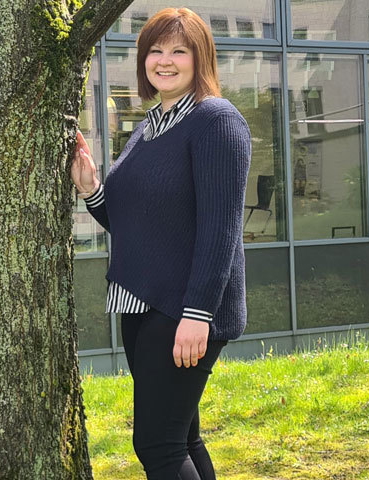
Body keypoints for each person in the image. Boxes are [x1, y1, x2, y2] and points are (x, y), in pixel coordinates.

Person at [71, 8, 250, 480]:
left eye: (178, 50)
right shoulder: (150, 126)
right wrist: (92, 190)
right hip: (142, 304)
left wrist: (198, 314)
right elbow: (138, 226)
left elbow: (221, 228)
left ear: (200, 58)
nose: (164, 61)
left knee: (157, 443)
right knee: (182, 437)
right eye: (155, 50)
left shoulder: (215, 119)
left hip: (182, 310)